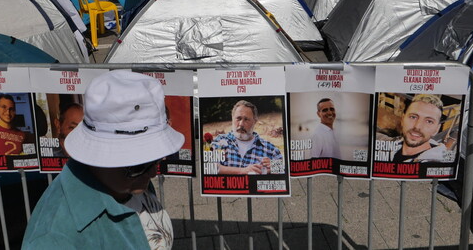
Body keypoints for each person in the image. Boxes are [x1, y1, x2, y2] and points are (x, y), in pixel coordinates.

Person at [23, 70, 184, 249]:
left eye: (155, 159)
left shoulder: (129, 182)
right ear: (100, 156)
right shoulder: (55, 237)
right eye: (140, 164)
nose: (153, 172)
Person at [210, 100, 283, 175]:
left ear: (254, 121)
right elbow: (210, 167)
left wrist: (274, 167)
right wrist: (243, 171)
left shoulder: (270, 149)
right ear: (232, 118)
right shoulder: (219, 141)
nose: (241, 124)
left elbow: (284, 170)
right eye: (238, 118)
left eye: (246, 119)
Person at [391, 94, 450, 163]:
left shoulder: (440, 163)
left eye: (429, 121)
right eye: (413, 117)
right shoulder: (388, 145)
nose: (417, 126)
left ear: (436, 129)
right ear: (402, 119)